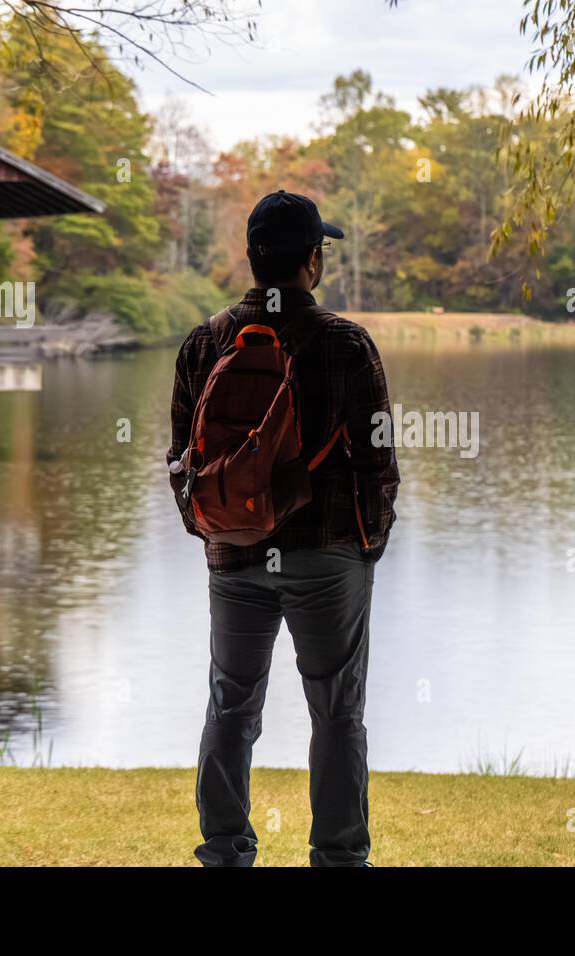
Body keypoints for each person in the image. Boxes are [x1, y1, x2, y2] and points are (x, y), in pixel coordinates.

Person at [167, 190, 399, 867]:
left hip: (233, 560)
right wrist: (365, 549)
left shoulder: (205, 341)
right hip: (328, 556)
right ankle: (337, 858)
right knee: (336, 712)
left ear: (251, 257)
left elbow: (183, 460)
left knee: (230, 706)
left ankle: (225, 850)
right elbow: (378, 460)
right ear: (314, 261)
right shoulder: (346, 343)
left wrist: (214, 530)